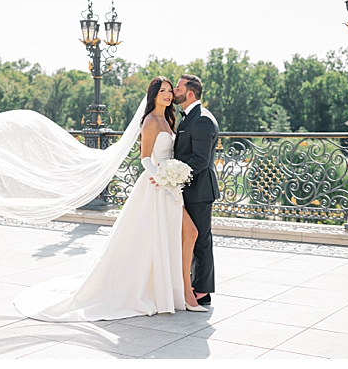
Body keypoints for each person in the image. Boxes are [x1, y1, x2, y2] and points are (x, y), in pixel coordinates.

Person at [13, 76, 207, 321]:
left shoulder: (170, 119)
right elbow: (145, 158)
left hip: (169, 186)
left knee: (179, 236)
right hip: (156, 186)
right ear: (154, 95)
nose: (168, 95)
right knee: (184, 233)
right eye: (163, 92)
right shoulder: (149, 121)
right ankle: (184, 294)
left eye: (170, 91)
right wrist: (162, 177)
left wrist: (172, 177)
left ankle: (176, 292)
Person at [172, 74, 220, 306]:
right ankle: (189, 283)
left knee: (201, 240)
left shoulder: (202, 119)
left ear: (190, 92)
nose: (174, 90)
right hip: (188, 189)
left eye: (178, 87)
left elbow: (200, 160)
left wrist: (173, 177)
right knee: (189, 239)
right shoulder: (189, 117)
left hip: (199, 191)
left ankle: (203, 290)